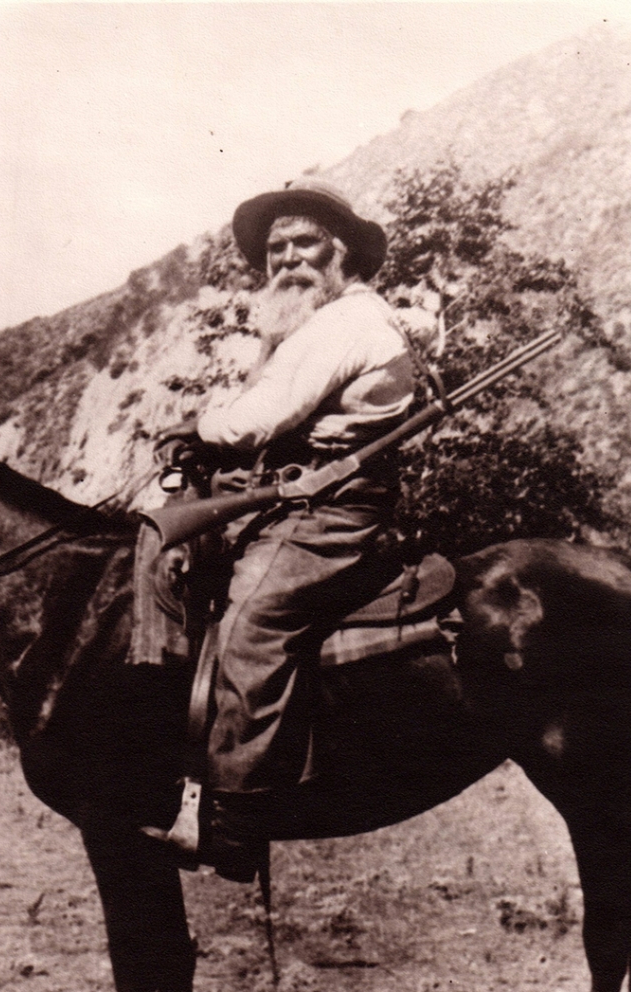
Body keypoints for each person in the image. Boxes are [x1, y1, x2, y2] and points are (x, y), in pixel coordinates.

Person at [175, 177, 416, 879]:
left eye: (305, 244)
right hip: (291, 498)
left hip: (331, 508)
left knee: (251, 620)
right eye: (276, 248)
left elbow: (258, 419)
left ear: (342, 256)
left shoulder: (347, 323)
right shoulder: (309, 326)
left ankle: (239, 825)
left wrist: (196, 427)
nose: (287, 259)